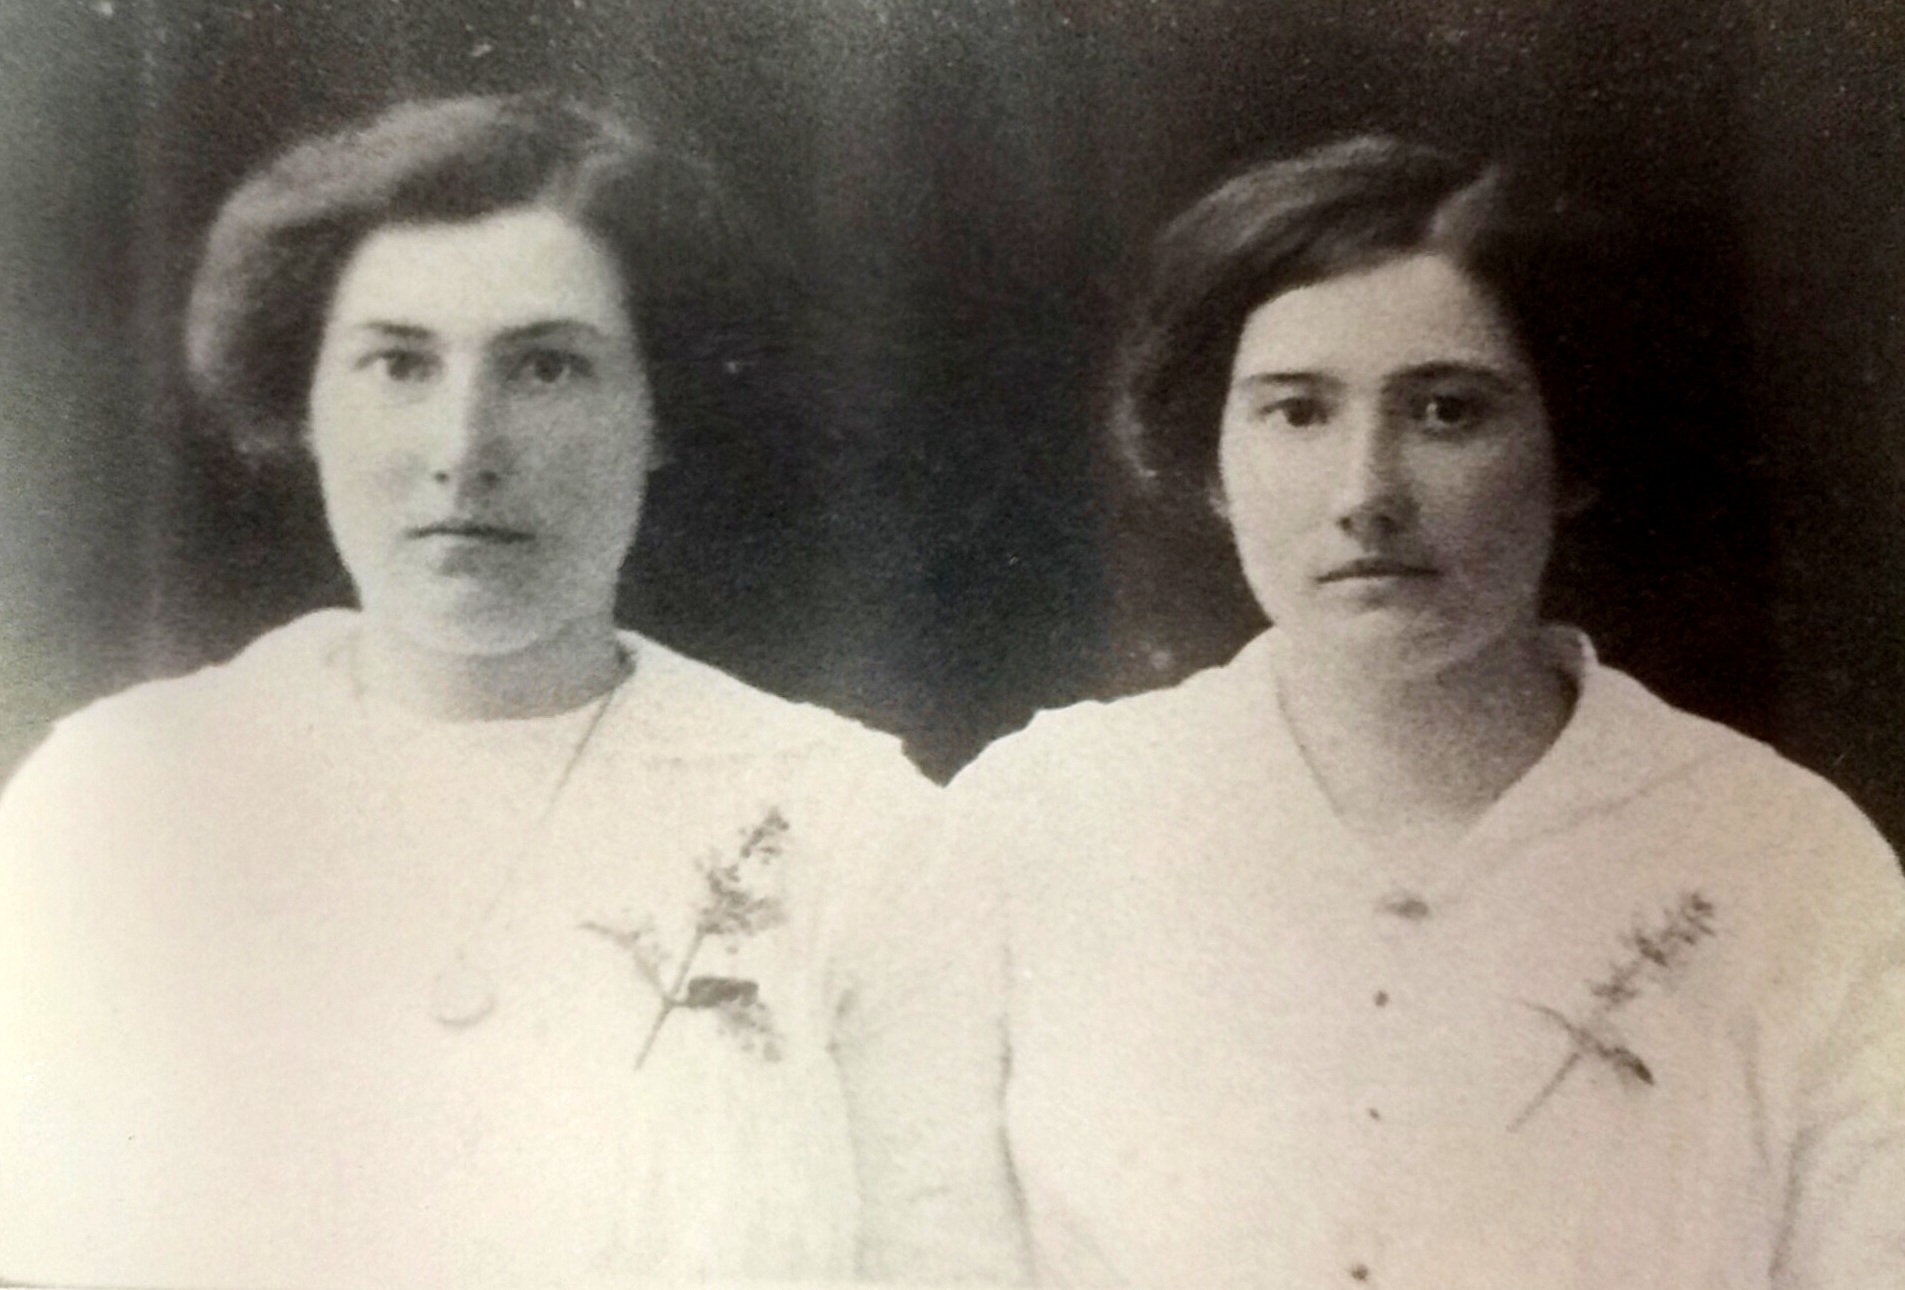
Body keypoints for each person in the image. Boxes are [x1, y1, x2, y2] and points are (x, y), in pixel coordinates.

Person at [0, 93, 1025, 1288]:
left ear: (661, 409)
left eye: (545, 367)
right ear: (305, 403)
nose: (464, 447)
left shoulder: (848, 824)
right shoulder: (121, 796)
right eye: (398, 364)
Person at [950, 136, 1905, 1288]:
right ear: (1210, 461)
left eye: (1447, 412)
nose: (1367, 495)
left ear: (1573, 455)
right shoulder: (1043, 820)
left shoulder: (1786, 858)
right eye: (1297, 413)